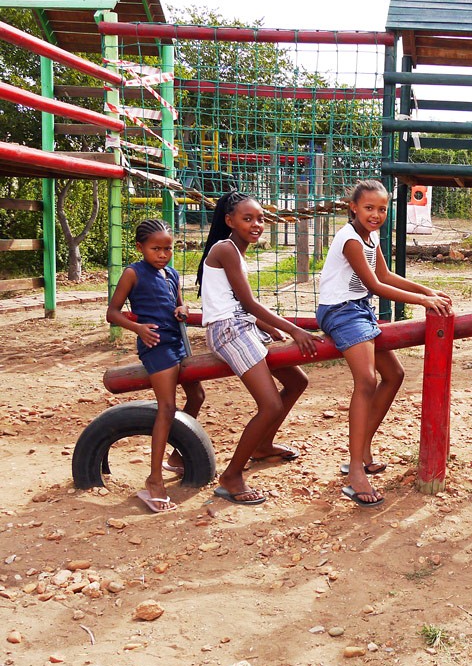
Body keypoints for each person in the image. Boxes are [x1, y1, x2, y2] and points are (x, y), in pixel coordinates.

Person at [316, 179, 452, 507]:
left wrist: (428, 291)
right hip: (340, 311)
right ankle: (355, 473)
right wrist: (423, 302)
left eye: (381, 209)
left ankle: (361, 450)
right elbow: (375, 284)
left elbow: (387, 274)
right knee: (366, 380)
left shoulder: (370, 235)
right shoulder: (349, 238)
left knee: (394, 375)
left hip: (359, 309)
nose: (376, 215)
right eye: (368, 208)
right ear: (353, 207)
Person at [197, 191, 318, 505]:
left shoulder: (236, 250)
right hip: (227, 331)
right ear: (229, 221)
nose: (256, 224)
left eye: (260, 218)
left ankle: (263, 446)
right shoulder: (225, 248)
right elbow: (247, 302)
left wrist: (266, 326)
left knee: (297, 381)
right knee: (270, 405)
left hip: (241, 325)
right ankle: (231, 476)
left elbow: (239, 303)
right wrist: (293, 329)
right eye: (247, 218)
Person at [106, 219, 205, 512]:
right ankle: (154, 480)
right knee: (166, 407)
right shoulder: (132, 273)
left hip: (178, 342)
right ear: (140, 248)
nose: (162, 254)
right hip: (155, 346)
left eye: (168, 249)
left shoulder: (171, 273)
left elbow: (181, 302)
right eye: (156, 249)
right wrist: (137, 329)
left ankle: (175, 459)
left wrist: (183, 309)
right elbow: (112, 313)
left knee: (197, 396)